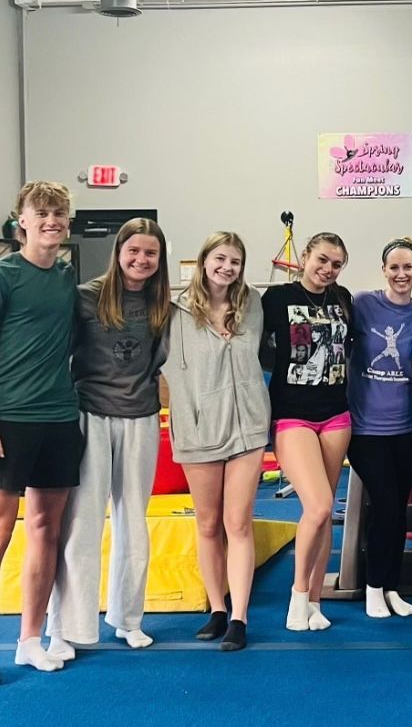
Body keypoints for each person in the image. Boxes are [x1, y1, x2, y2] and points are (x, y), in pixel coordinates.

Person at [0, 181, 83, 685]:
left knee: (45, 532)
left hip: (58, 420)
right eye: (42, 212)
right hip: (6, 422)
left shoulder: (66, 278)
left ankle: (30, 639)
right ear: (22, 222)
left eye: (59, 212)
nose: (51, 220)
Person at [47, 218, 171, 661]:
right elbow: (55, 353)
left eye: (150, 254)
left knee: (133, 520)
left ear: (160, 259)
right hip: (90, 416)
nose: (141, 260)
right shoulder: (85, 297)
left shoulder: (162, 305)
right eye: (133, 251)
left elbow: (161, 363)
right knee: (81, 522)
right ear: (118, 252)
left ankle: (128, 618)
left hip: (140, 419)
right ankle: (67, 626)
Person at [161, 232, 270, 651]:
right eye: (220, 258)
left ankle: (239, 618)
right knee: (208, 524)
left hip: (247, 428)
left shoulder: (253, 305)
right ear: (204, 260)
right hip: (198, 429)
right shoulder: (174, 311)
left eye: (236, 261)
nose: (227, 267)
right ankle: (217, 609)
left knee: (237, 523)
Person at [261, 232, 352, 632]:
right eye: (322, 260)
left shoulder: (343, 298)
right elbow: (255, 345)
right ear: (305, 258)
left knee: (325, 509)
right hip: (292, 414)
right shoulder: (277, 299)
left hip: (336, 414)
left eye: (336, 264)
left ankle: (316, 601)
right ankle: (297, 596)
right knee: (316, 506)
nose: (327, 269)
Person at [347, 238, 412, 619]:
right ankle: (374, 588)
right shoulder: (363, 304)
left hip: (405, 428)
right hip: (365, 430)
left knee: (399, 511)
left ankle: (392, 586)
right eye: (393, 267)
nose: (401, 274)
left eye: (407, 267)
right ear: (383, 270)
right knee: (387, 508)